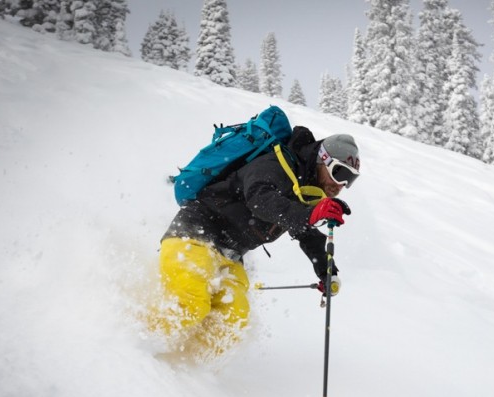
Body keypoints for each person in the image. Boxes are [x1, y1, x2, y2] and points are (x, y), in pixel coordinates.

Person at [153, 125, 360, 359]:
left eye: (350, 180)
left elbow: (307, 233)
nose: (341, 185)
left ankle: (189, 368)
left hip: (230, 256)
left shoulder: (306, 190)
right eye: (339, 173)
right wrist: (309, 215)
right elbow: (259, 200)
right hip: (194, 234)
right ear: (323, 159)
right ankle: (139, 354)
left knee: (233, 320)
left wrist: (326, 271)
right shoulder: (277, 163)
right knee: (191, 302)